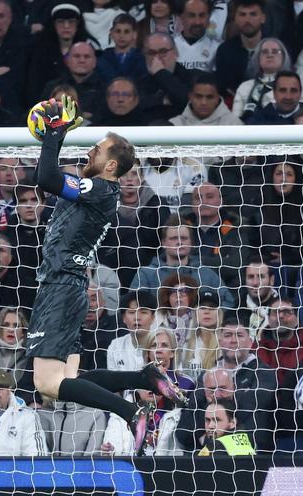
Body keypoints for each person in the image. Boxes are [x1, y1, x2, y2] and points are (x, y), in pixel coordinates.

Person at [26, 98, 187, 451]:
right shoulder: (96, 191)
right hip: (70, 288)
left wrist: (54, 135)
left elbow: (47, 177)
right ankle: (143, 377)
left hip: (60, 288)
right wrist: (57, 136)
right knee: (70, 379)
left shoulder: (99, 189)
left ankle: (129, 411)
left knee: (46, 384)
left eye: (96, 150)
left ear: (111, 165)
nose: (89, 152)